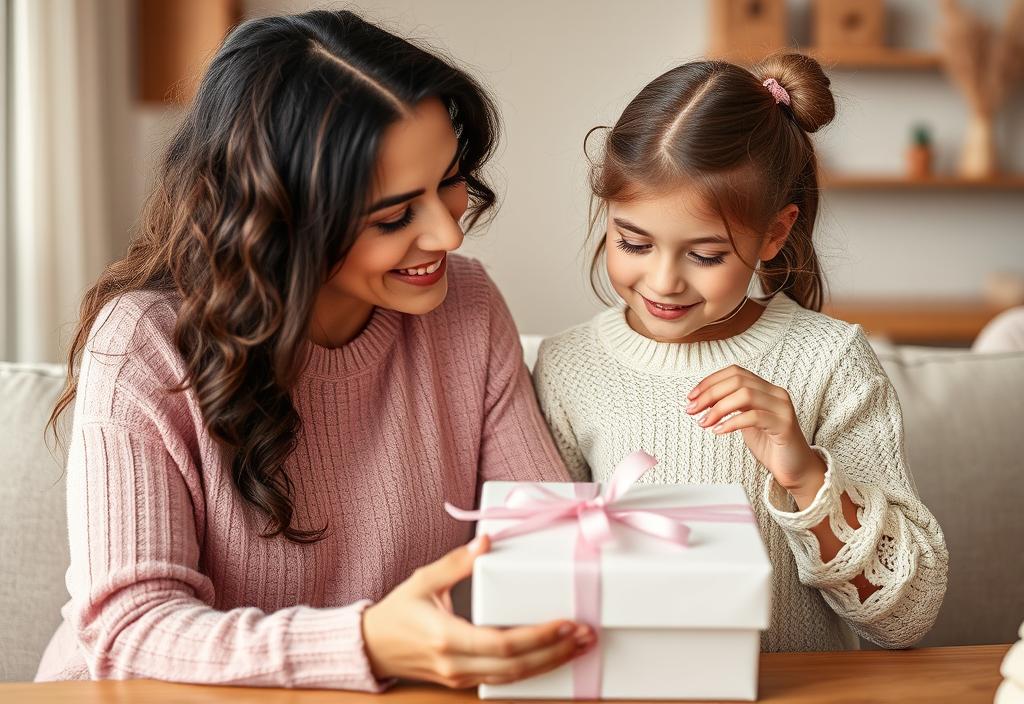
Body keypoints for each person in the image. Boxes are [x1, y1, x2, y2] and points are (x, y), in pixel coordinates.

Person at [36, 10, 594, 691]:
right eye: (394, 216)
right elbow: (129, 628)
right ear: (279, 218)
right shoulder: (144, 347)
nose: (448, 234)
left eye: (450, 180)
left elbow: (545, 534)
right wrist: (365, 643)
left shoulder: (467, 307)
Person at [533, 54, 948, 651]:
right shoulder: (567, 367)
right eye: (633, 242)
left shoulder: (829, 360)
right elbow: (548, 574)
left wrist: (803, 471)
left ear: (774, 234)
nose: (663, 280)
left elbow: (907, 615)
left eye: (705, 255)